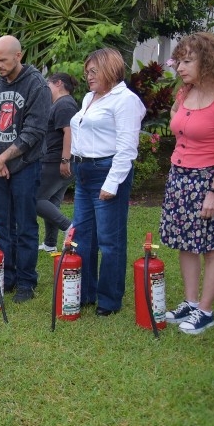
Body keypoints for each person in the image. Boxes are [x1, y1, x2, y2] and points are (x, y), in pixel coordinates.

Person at [160, 32, 214, 334]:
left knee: (212, 246)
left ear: (207, 62)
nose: (180, 67)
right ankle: (191, 302)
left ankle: (206, 310)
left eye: (188, 61)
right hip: (180, 177)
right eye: (179, 61)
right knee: (186, 243)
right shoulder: (186, 93)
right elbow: (177, 120)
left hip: (209, 179)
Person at [70, 48, 145, 316]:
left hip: (106, 171)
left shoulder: (125, 100)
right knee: (83, 236)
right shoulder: (90, 97)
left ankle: (109, 300)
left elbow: (127, 148)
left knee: (109, 240)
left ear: (110, 70)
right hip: (84, 171)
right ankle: (86, 292)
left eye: (94, 71)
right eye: (87, 72)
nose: (88, 77)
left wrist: (112, 183)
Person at [0, 35, 51, 303]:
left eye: (3, 60)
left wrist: (3, 159)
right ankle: (6, 277)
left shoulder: (36, 86)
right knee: (1, 224)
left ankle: (26, 281)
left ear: (19, 56)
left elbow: (34, 132)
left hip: (25, 166)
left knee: (25, 224)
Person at [36, 73, 79, 252]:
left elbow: (69, 132)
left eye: (48, 84)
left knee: (35, 199)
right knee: (52, 203)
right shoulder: (61, 104)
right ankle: (50, 243)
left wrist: (65, 160)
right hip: (57, 160)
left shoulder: (64, 104)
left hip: (57, 161)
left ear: (59, 83)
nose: (46, 89)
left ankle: (69, 227)